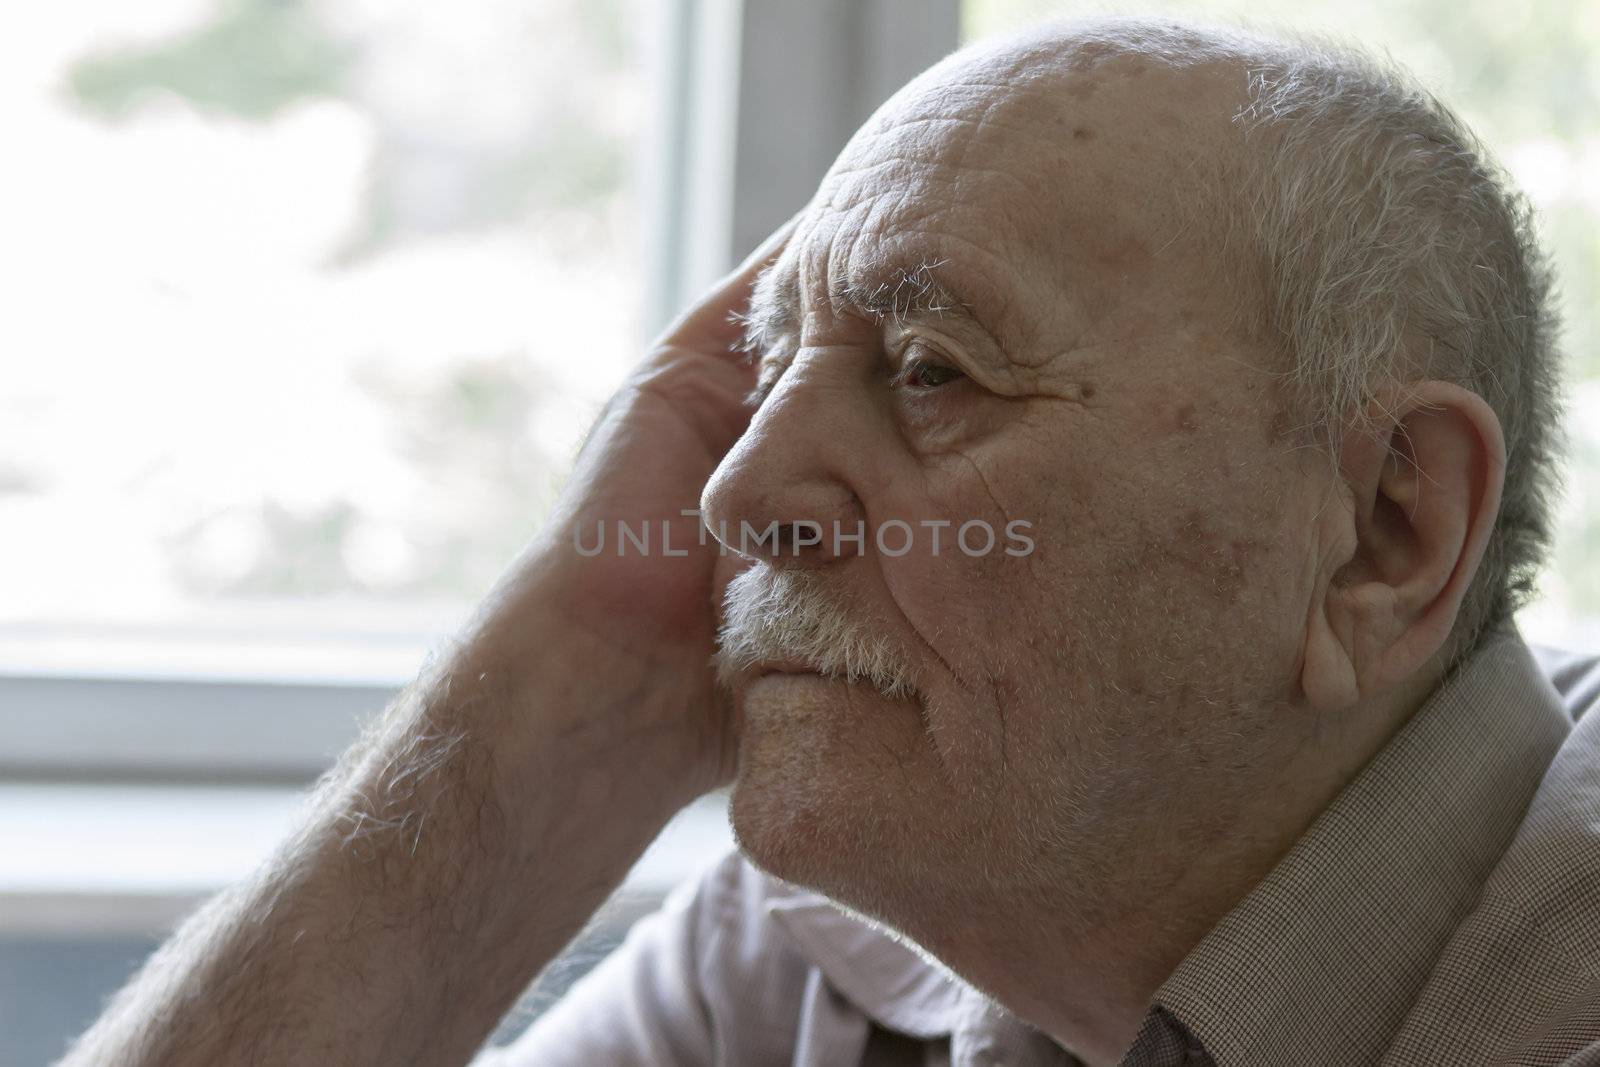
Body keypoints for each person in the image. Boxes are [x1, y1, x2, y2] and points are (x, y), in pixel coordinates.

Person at [60, 15, 1600, 1067]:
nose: (734, 494)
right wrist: (581, 660)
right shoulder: (834, 946)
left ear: (1387, 529)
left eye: (932, 369)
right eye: (764, 376)